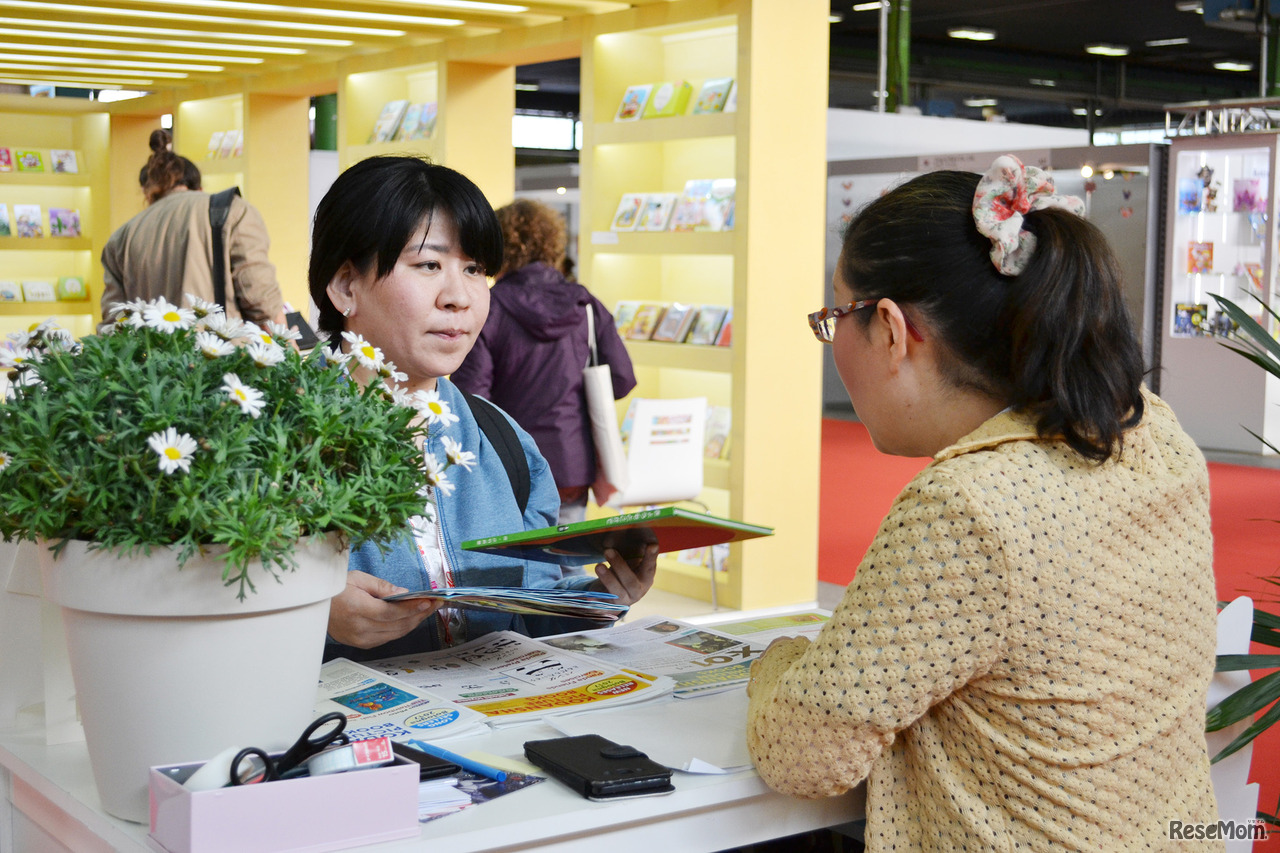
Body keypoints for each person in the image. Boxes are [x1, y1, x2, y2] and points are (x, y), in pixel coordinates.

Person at [746, 155, 1220, 848]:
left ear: (890, 328)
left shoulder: (968, 508)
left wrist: (778, 662)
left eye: (834, 316)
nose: (832, 339)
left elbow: (803, 750)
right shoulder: (1154, 433)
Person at [310, 156, 658, 661]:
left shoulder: (504, 442)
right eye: (428, 265)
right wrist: (313, 610)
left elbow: (526, 615)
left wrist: (600, 596)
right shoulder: (267, 438)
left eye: (474, 269)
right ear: (346, 285)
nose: (459, 296)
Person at [451, 198, 636, 576]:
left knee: (516, 567)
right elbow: (621, 378)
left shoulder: (491, 308)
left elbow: (472, 396)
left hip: (511, 463)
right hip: (572, 463)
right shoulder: (585, 305)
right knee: (567, 564)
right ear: (552, 243)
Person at [101, 129, 285, 327]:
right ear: (199, 188)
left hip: (151, 347)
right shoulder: (232, 210)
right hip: (221, 344)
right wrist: (285, 338)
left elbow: (115, 321)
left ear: (148, 194)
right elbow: (258, 293)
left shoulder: (121, 238)